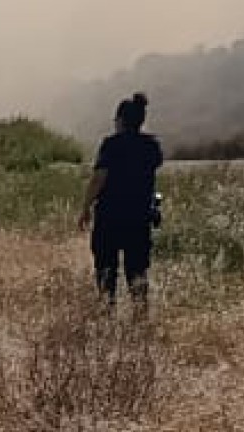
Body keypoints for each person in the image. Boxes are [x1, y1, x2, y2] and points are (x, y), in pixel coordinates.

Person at [79, 93, 164, 315]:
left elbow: (99, 178)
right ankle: (140, 321)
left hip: (110, 218)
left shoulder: (111, 145)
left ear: (120, 120)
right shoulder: (152, 146)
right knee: (137, 273)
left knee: (106, 272)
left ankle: (108, 318)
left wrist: (85, 208)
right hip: (139, 218)